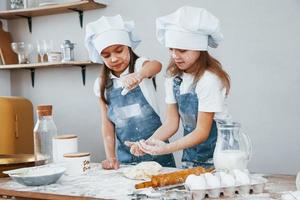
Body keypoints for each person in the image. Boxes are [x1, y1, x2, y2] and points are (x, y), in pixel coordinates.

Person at [131, 6, 231, 168]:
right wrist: (148, 144)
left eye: (182, 50)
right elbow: (171, 122)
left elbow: (202, 132)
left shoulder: (209, 80)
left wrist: (167, 148)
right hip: (191, 155)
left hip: (219, 157)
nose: (174, 56)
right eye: (171, 49)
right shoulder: (173, 78)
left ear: (199, 48)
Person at [85, 15, 175, 169]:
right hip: (125, 158)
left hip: (157, 153)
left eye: (119, 51)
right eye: (106, 55)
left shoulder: (140, 66)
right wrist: (111, 157)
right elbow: (107, 126)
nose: (113, 59)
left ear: (129, 47)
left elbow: (156, 65)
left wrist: (139, 75)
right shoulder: (101, 84)